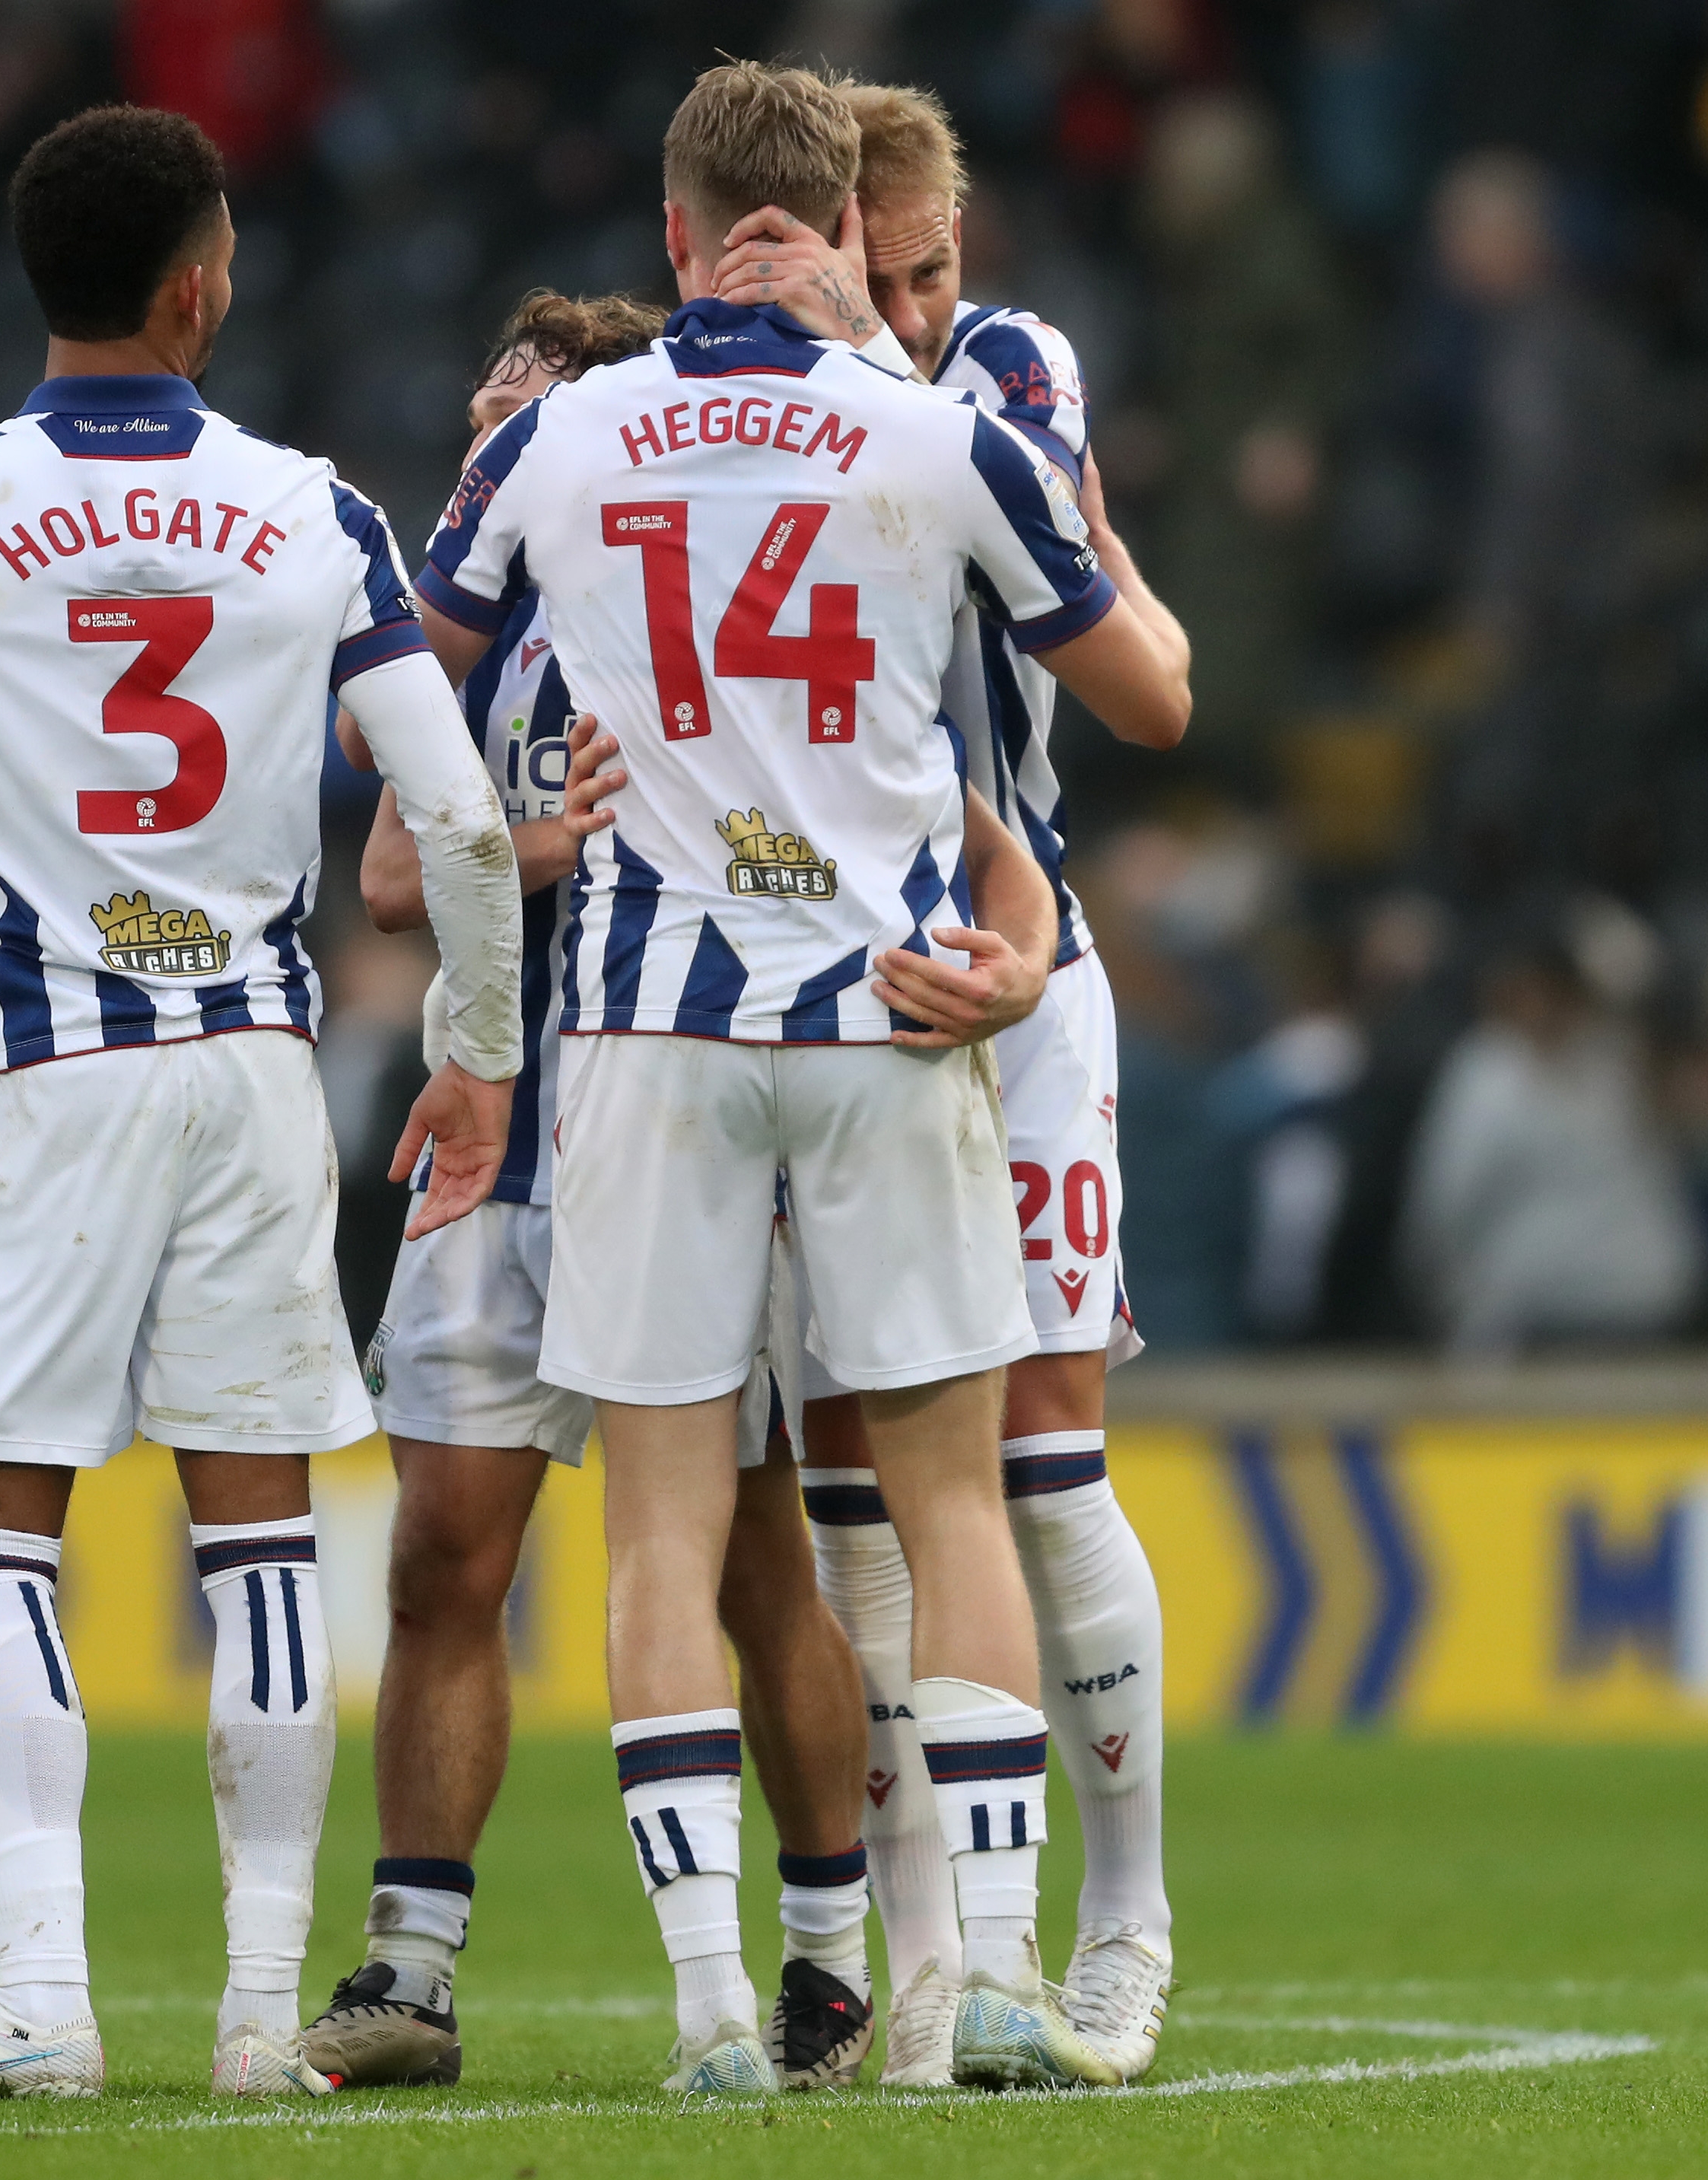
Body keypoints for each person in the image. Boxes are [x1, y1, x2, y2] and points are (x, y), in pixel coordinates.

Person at [412, 59, 1189, 2096]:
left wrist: (517, 802)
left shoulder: (560, 433)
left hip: (654, 1031)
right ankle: (995, 1958)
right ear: (835, 230)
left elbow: (401, 709)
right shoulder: (937, 435)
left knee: (669, 1529)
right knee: (947, 1496)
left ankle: (711, 2010)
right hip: (893, 1007)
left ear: (671, 237)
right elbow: (1143, 693)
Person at [0, 105, 522, 2102]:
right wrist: (478, 1052)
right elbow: (451, 815)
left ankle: (41, 2002)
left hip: (38, 1076)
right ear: (197, 285)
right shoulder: (321, 514)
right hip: (254, 1071)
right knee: (258, 1535)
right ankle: (267, 2021)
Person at [306, 287, 1064, 2096]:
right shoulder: (479, 637)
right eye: (487, 381)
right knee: (444, 1546)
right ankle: (412, 1962)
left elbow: (955, 822)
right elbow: (401, 869)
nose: (496, 413)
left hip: (693, 1101)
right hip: (516, 1123)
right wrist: (557, 834)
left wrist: (1014, 959)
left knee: (745, 1554)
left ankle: (811, 1964)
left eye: (530, 388)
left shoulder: (699, 591)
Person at [708, 78, 1193, 2086]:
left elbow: (1099, 639)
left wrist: (854, 358)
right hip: (821, 993)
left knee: (1043, 1444)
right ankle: (922, 1957)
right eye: (871, 273)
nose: (910, 306)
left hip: (1021, 974)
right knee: (855, 1485)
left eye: (927, 269)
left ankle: (1122, 1916)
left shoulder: (1000, 371)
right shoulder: (709, 420)